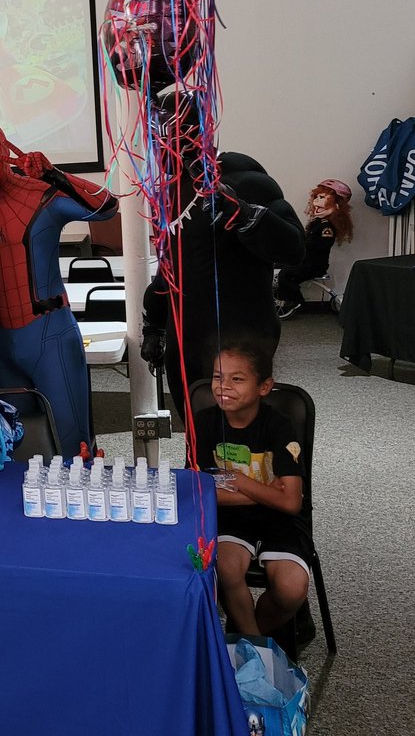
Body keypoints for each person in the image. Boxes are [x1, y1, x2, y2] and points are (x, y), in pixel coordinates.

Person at [0, 119, 118, 456]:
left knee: (73, 441)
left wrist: (54, 175)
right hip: (1, 337)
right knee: (13, 442)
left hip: (49, 333)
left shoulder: (41, 194)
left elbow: (106, 207)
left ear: (3, 149)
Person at [142, 133, 305, 420]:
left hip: (240, 332)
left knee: (242, 430)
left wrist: (241, 211)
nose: (162, 145)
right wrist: (154, 323)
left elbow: (294, 249)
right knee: (196, 428)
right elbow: (172, 263)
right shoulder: (170, 193)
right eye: (157, 136)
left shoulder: (245, 180)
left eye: (172, 133)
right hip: (185, 333)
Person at [192, 338, 309, 640]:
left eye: (237, 379)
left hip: (280, 522)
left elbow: (291, 502)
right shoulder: (203, 423)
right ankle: (256, 648)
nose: (223, 386)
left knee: (291, 589)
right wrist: (266, 491)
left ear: (264, 387)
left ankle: (244, 632)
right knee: (225, 569)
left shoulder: (279, 425)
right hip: (229, 519)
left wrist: (239, 481)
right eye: (218, 376)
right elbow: (203, 492)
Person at [275, 180, 353, 318]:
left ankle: (294, 300)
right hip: (305, 260)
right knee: (275, 264)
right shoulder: (316, 223)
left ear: (336, 205)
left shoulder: (326, 227)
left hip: (314, 264)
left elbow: (321, 246)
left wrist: (303, 245)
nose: (316, 201)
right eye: (316, 197)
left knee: (286, 274)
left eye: (322, 198)